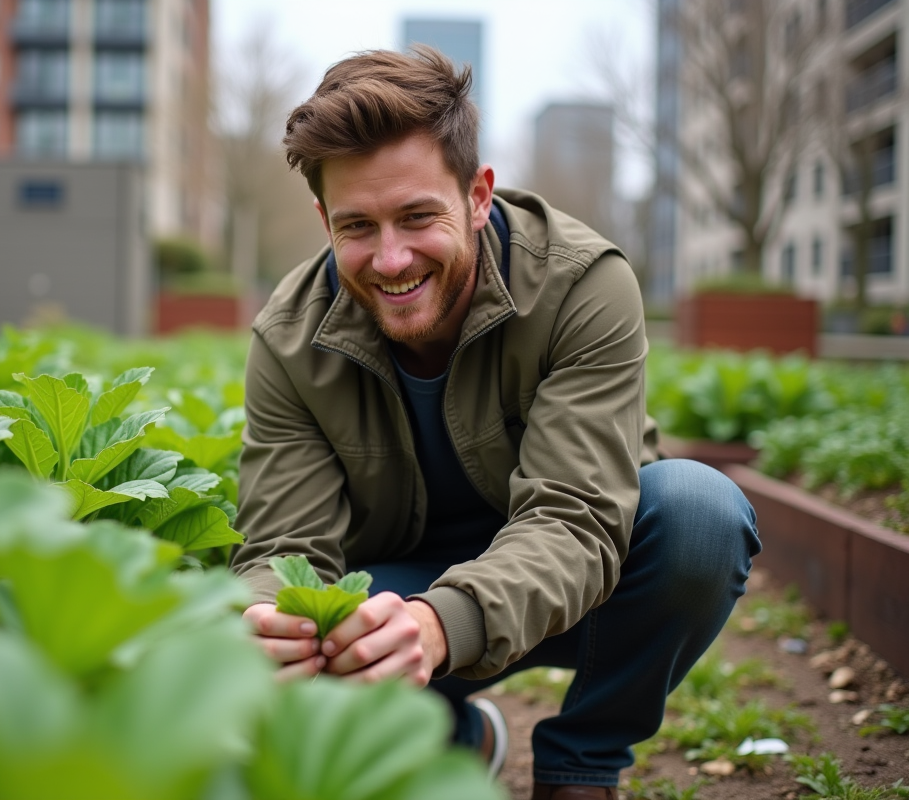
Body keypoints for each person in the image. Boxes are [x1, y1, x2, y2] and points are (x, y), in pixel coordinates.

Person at [230, 46, 760, 800]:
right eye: (357, 226)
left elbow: (576, 519)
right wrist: (263, 616)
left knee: (699, 517)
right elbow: (285, 547)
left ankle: (582, 763)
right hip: (390, 599)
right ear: (322, 219)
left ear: (478, 195)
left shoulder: (583, 284)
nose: (389, 258)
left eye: (418, 217)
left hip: (584, 584)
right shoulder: (286, 339)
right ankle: (448, 740)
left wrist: (445, 621)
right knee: (304, 620)